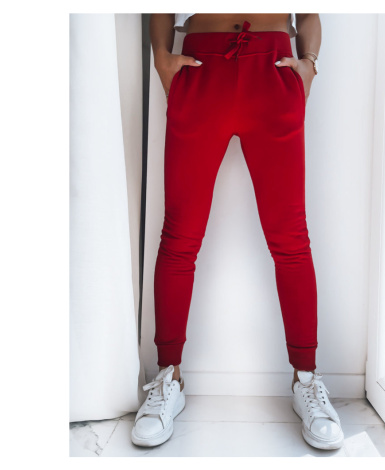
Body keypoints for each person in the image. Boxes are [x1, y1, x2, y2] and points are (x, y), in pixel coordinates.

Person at [131, 13, 344, 451]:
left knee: (290, 238)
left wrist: (309, 61)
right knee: (180, 236)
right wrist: (161, 58)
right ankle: (169, 376)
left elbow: (308, 13)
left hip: (274, 71)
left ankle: (306, 379)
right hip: (200, 67)